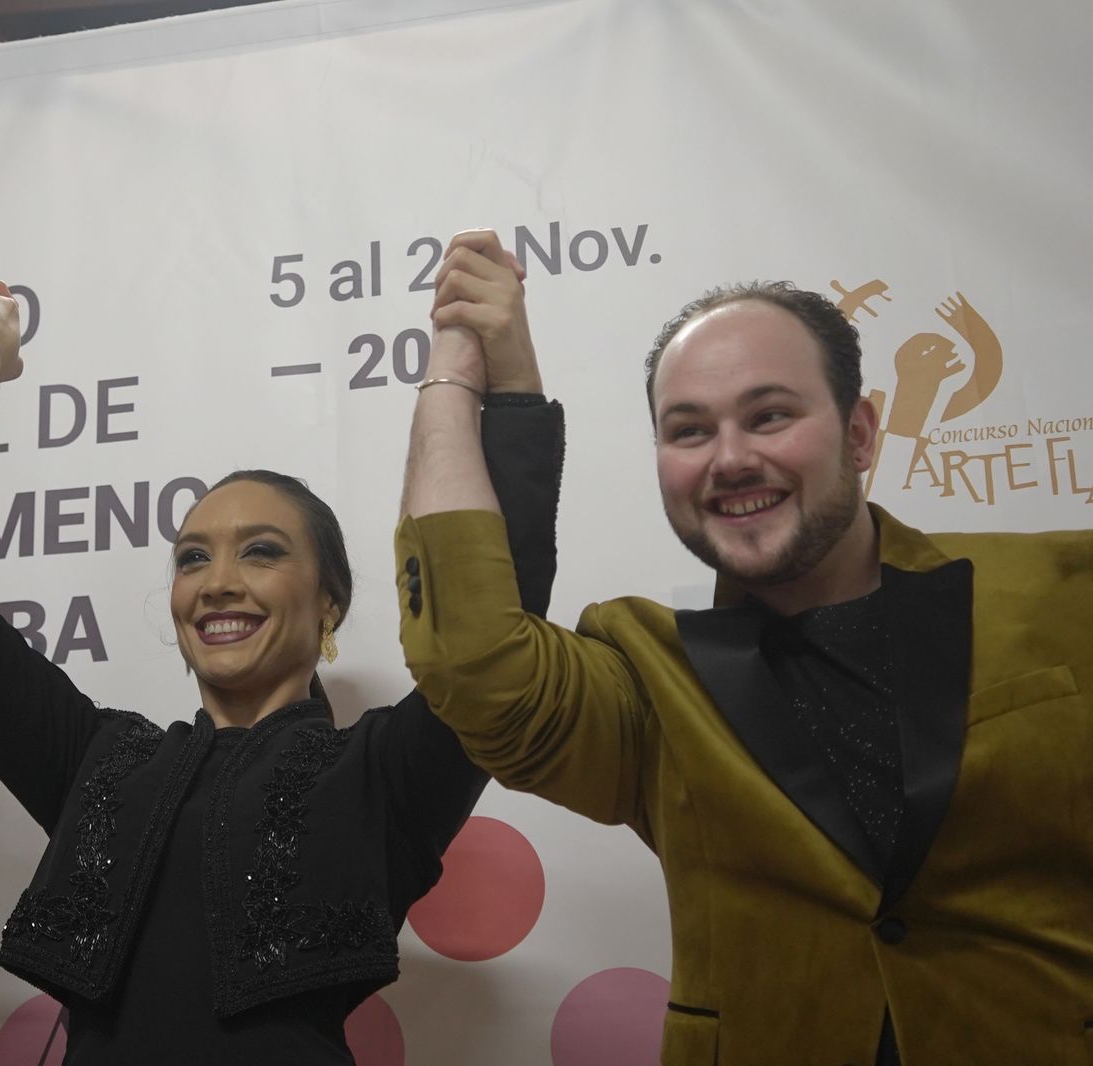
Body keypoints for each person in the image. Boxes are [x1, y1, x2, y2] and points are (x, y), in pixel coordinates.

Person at [0, 251, 563, 1064]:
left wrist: (509, 372)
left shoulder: (383, 773)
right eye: (190, 559)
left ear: (330, 601)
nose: (216, 584)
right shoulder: (98, 762)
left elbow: (498, 614)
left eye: (259, 553)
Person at [396, 230, 1093, 1065]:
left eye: (770, 416)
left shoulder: (1063, 589)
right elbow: (471, 656)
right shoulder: (652, 676)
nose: (730, 459)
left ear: (862, 433)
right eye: (688, 431)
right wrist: (468, 372)